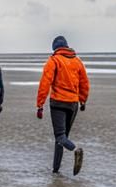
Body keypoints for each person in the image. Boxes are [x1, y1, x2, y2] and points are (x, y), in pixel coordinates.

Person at [36, 36, 90, 175]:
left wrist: (40, 105)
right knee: (62, 137)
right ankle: (56, 169)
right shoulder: (77, 61)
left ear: (55, 48)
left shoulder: (53, 61)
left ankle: (75, 149)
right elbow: (84, 83)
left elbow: (45, 83)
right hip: (73, 104)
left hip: (58, 102)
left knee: (60, 136)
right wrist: (83, 100)